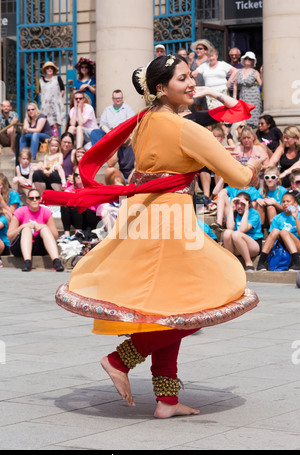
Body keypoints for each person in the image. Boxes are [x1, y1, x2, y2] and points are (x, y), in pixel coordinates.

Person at [50, 54, 261, 418]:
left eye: (191, 76)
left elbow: (186, 133)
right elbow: (241, 178)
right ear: (162, 88)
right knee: (202, 300)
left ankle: (167, 399)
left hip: (146, 212)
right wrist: (254, 163)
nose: (192, 83)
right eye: (183, 79)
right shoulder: (185, 129)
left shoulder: (146, 121)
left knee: (169, 306)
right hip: (169, 221)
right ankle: (120, 360)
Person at [7, 188, 64, 272]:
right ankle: (27, 262)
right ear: (27, 200)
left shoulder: (46, 212)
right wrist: (22, 226)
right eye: (31, 198)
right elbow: (10, 236)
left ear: (40, 199)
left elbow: (55, 236)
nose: (34, 200)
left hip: (39, 247)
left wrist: (44, 226)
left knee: (44, 229)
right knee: (26, 229)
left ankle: (56, 261)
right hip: (19, 247)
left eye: (37, 198)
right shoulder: (20, 212)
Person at [256, 192, 300, 272]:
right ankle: (261, 262)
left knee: (283, 232)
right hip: (283, 244)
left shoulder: (299, 216)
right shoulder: (277, 218)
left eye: (288, 201)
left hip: (298, 245)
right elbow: (272, 236)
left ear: (295, 203)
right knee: (275, 230)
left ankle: (297, 262)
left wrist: (296, 218)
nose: (285, 203)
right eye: (283, 201)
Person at [223, 192, 263, 271]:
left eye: (243, 204)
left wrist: (247, 210)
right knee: (227, 232)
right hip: (237, 246)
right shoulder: (234, 213)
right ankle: (232, 261)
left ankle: (249, 263)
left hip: (253, 245)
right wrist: (231, 208)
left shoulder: (254, 213)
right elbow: (229, 227)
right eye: (237, 203)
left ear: (249, 204)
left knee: (236, 234)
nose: (239, 206)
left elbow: (242, 230)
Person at [59, 167, 101, 241]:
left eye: (80, 174)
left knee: (77, 204)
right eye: (76, 175)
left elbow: (99, 209)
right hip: (78, 218)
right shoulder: (71, 188)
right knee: (65, 205)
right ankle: (66, 234)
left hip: (92, 218)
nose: (78, 176)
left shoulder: (92, 188)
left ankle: (78, 233)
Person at [235, 52, 262, 128]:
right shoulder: (239, 71)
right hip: (243, 95)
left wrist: (262, 72)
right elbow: (235, 85)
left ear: (253, 61)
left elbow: (261, 84)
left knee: (253, 114)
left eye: (250, 59)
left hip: (253, 96)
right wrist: (234, 96)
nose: (248, 60)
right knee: (243, 114)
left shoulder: (255, 72)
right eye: (246, 58)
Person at [39, 61, 66, 137]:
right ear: (45, 70)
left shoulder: (58, 78)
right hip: (45, 107)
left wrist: (57, 100)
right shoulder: (40, 81)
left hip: (55, 106)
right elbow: (40, 92)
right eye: (47, 68)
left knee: (55, 125)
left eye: (51, 68)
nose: (49, 69)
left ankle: (56, 141)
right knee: (45, 124)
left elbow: (62, 90)